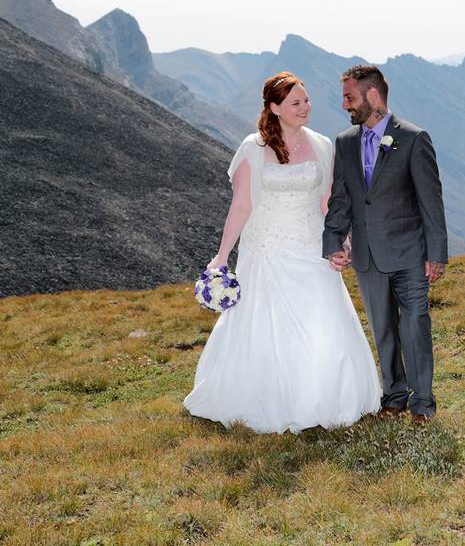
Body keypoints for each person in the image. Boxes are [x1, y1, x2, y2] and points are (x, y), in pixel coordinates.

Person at [183, 72, 382, 433]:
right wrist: (221, 255)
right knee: (263, 327)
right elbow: (241, 206)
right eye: (295, 103)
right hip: (266, 250)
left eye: (306, 100)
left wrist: (342, 241)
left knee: (323, 322)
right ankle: (265, 400)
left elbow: (327, 203)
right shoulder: (253, 148)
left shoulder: (322, 145)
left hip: (311, 248)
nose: (305, 107)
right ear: (275, 108)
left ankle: (325, 397)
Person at [323, 65, 448, 426]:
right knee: (383, 329)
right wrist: (334, 240)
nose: (345, 104)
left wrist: (436, 253)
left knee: (414, 326)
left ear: (373, 96)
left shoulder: (413, 138)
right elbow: (341, 198)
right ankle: (394, 395)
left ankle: (422, 404)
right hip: (367, 256)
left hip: (410, 253)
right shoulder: (345, 142)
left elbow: (431, 200)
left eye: (350, 97)